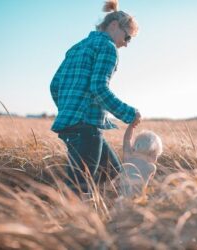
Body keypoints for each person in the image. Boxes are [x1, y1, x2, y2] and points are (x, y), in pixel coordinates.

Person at [50, 0, 141, 193]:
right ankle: (69, 221)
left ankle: (111, 219)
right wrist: (129, 113)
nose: (126, 44)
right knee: (79, 189)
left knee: (114, 174)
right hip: (86, 128)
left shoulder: (77, 47)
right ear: (114, 26)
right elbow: (99, 88)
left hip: (71, 125)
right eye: (128, 38)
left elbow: (55, 86)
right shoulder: (108, 47)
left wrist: (69, 110)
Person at [118, 123, 163, 197]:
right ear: (152, 153)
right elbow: (149, 186)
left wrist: (131, 126)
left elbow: (127, 139)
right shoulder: (151, 167)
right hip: (137, 200)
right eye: (157, 156)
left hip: (121, 199)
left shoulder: (128, 158)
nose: (156, 159)